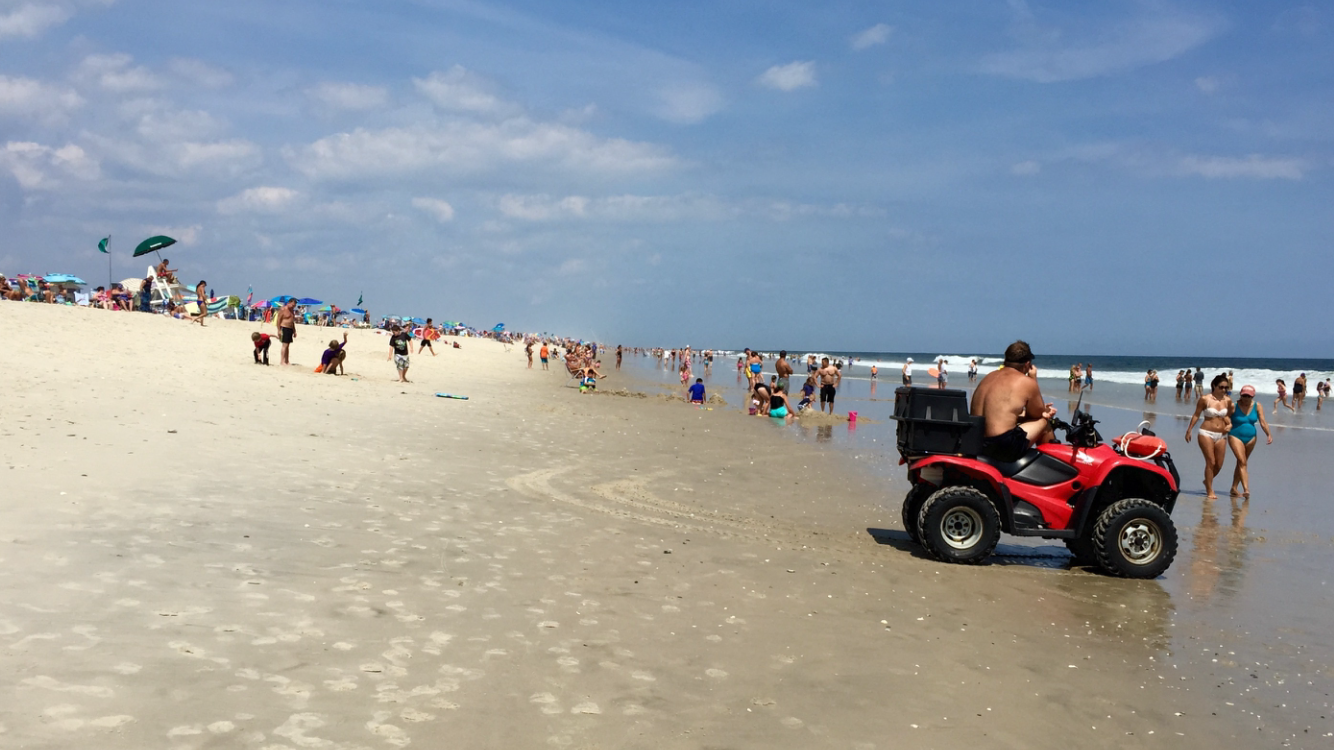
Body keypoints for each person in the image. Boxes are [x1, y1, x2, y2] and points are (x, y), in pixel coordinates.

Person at [969, 340, 1055, 462]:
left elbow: (997, 412)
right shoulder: (1026, 382)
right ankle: (1051, 464)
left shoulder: (989, 376)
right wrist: (1033, 379)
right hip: (1001, 446)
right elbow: (1036, 414)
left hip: (977, 441)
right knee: (1043, 422)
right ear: (1027, 364)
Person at [1185, 374, 1233, 500]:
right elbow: (1196, 415)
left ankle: (1207, 481)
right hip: (1206, 432)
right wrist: (1189, 430)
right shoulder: (1205, 399)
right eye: (1221, 387)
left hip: (1222, 434)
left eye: (1226, 388)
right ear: (1214, 386)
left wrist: (1230, 425)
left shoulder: (1227, 400)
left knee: (1219, 465)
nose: (1224, 390)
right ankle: (1210, 490)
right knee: (1210, 461)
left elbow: (1228, 416)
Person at [1227, 385, 1272, 499]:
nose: (1246, 398)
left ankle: (1234, 488)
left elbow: (1262, 421)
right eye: (1244, 396)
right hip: (1235, 435)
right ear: (1241, 395)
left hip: (1251, 437)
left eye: (1249, 396)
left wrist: (1268, 434)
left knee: (1241, 462)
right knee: (1242, 462)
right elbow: (1225, 419)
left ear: (1253, 396)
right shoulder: (1233, 406)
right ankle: (1246, 489)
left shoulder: (1257, 406)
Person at [275, 299, 298, 365]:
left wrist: (294, 331)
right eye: (293, 305)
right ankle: (282, 361)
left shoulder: (292, 311)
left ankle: (287, 361)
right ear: (289, 303)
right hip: (284, 327)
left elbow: (292, 321)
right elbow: (278, 320)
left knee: (288, 345)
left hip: (290, 329)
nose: (293, 306)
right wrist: (279, 330)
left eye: (294, 305)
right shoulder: (283, 309)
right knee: (284, 345)